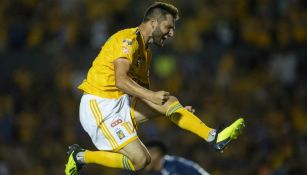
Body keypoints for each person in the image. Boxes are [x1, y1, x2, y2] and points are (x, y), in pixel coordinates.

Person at [65, 2, 245, 175]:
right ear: (153, 23)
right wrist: (152, 97)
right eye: (169, 27)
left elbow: (142, 93)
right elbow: (121, 80)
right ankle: (80, 156)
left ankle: (214, 137)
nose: (172, 33)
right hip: (99, 104)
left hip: (121, 102)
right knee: (141, 160)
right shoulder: (127, 39)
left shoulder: (146, 53)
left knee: (170, 102)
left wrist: (178, 111)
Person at [144, 140, 210, 175]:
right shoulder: (170, 164)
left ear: (156, 153)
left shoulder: (171, 166)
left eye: (145, 156)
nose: (143, 160)